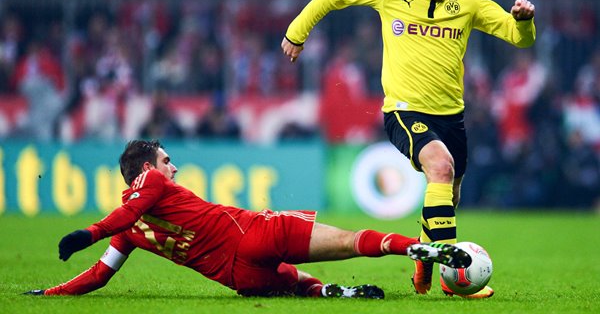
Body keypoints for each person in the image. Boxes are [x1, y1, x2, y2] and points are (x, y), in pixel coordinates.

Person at [281, 0, 536, 299]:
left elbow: (519, 38)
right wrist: (297, 33)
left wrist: (524, 20)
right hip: (403, 110)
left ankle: (423, 257)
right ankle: (456, 277)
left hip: (452, 116)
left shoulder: (469, 1)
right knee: (441, 168)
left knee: (449, 194)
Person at [24, 139, 471, 298]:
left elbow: (100, 276)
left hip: (239, 278)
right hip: (256, 233)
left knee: (297, 283)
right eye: (166, 160)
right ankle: (420, 249)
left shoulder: (131, 234)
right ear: (147, 169)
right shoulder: (151, 190)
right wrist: (87, 233)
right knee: (352, 241)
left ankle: (341, 292)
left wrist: (50, 292)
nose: (172, 168)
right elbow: (130, 209)